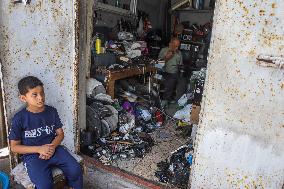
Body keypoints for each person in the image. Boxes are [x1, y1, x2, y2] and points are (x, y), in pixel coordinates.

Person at [9, 76, 83, 189]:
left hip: (55, 149)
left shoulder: (51, 111)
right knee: (44, 185)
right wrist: (39, 149)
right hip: (32, 155)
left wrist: (52, 146)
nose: (40, 98)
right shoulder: (19, 118)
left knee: (75, 170)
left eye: (42, 93)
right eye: (35, 94)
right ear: (23, 98)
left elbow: (60, 134)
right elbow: (14, 147)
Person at [158, 37, 183, 107]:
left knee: (171, 81)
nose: (176, 48)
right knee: (155, 78)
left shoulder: (179, 53)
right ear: (170, 44)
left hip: (172, 74)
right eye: (175, 46)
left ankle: (165, 100)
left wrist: (180, 72)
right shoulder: (164, 50)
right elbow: (158, 65)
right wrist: (166, 58)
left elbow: (180, 65)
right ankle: (156, 97)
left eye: (178, 46)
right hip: (161, 72)